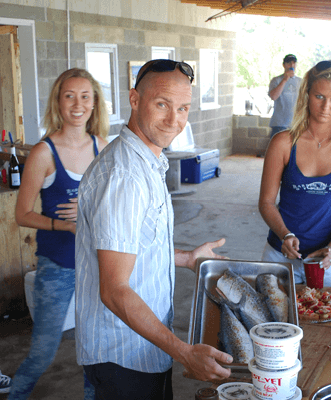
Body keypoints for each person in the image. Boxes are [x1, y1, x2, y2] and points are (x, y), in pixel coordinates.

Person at [74, 59, 233, 400]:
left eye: (183, 108)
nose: (174, 120)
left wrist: (187, 257)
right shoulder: (125, 176)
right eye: (162, 104)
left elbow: (135, 247)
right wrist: (183, 350)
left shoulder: (148, 160)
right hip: (122, 354)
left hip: (144, 344)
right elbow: (114, 289)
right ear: (134, 100)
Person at [10, 68, 109, 399]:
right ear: (58, 101)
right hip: (58, 266)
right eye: (69, 96)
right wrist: (65, 224)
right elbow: (22, 214)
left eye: (85, 96)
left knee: (96, 351)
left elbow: (111, 208)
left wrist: (86, 206)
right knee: (42, 353)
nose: (77, 104)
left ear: (94, 103)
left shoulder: (103, 148)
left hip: (97, 265)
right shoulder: (43, 153)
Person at [259, 60, 331, 286]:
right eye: (319, 96)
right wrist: (284, 235)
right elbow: (266, 202)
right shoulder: (283, 142)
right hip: (280, 254)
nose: (326, 107)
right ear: (307, 95)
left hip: (328, 260)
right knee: (276, 319)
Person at [268, 54, 302, 138]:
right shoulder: (276, 80)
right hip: (279, 124)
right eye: (289, 63)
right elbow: (273, 97)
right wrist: (285, 79)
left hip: (295, 124)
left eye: (294, 63)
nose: (291, 65)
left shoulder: (301, 82)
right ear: (284, 65)